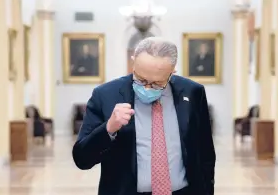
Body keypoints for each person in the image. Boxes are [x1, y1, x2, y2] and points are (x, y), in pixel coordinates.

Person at [72, 37, 216, 195]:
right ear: (133, 62)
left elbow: (205, 152)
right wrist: (109, 128)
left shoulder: (193, 92)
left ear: (172, 71)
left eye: (157, 83)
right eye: (140, 79)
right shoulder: (105, 95)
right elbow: (82, 159)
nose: (147, 88)